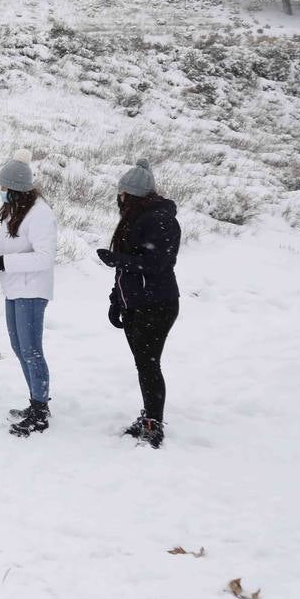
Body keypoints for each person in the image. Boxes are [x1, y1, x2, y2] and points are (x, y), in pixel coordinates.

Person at [96, 160, 180, 449]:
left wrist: (117, 259)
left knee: (148, 363)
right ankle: (149, 415)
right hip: (136, 303)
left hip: (157, 304)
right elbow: (127, 270)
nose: (118, 197)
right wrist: (115, 300)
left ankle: (153, 422)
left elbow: (159, 263)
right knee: (143, 363)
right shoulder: (135, 217)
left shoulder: (161, 219)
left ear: (131, 194)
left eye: (121, 192)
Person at [0, 150, 58, 438]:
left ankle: (40, 411)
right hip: (14, 287)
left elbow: (45, 257)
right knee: (18, 347)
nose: (1, 192)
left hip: (32, 290)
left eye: (3, 188)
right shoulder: (15, 210)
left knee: (31, 350)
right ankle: (36, 401)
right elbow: (7, 243)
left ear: (15, 188)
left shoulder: (40, 214)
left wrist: (2, 263)